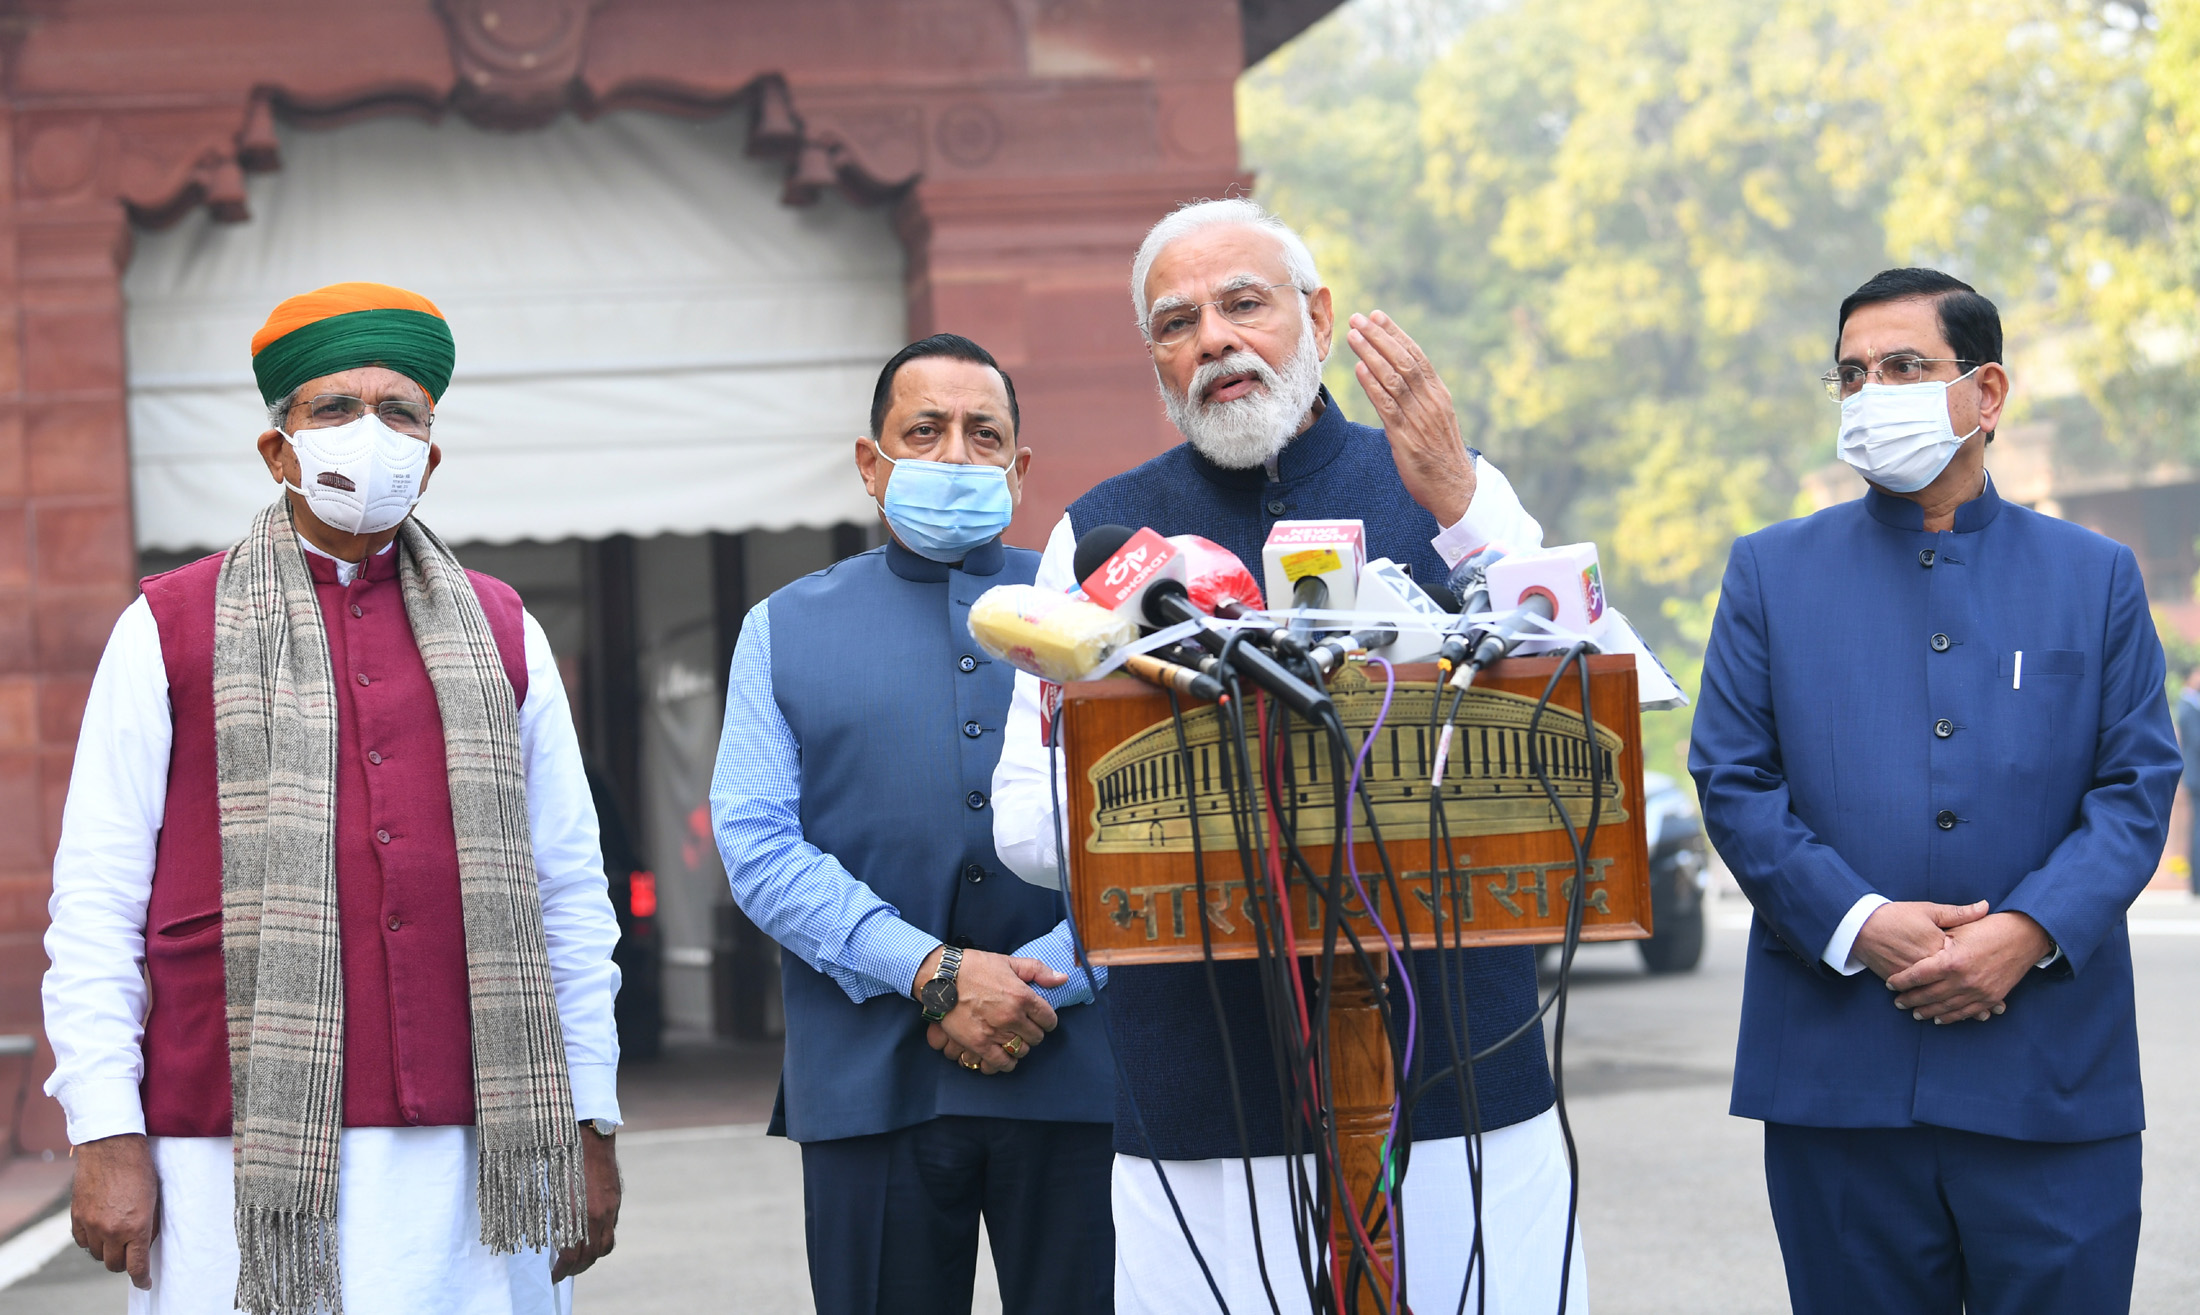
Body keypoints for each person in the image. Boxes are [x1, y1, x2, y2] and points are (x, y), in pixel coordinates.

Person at [990, 198, 1585, 1313]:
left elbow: (1578, 695)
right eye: (1178, 321)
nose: (1213, 337)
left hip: (1458, 1064)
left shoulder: (1452, 483)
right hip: (1203, 1091)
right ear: (1156, 359)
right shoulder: (1102, 537)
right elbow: (1024, 821)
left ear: (1313, 315)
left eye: (1243, 304)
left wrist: (1455, 500)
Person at [42, 282, 624, 1315]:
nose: (373, 432)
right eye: (335, 407)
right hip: (228, 1146)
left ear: (431, 456)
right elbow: (96, 899)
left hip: (480, 1147)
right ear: (278, 450)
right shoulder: (167, 628)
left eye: (401, 412)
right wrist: (104, 1129)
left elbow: (569, 895)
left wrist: (589, 1118)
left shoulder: (503, 630)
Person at [1690, 268, 2179, 1314]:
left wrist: (2027, 930)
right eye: (1852, 373)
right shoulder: (1771, 572)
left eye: (1905, 366)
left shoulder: (2092, 575)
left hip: (2051, 1074)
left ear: (1986, 392)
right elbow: (1732, 779)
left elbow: (2136, 784)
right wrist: (1860, 922)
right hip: (1837, 1076)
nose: (1873, 392)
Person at [710, 334, 1115, 1315]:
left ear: (1019, 469)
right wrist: (931, 970)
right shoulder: (785, 626)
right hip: (868, 1075)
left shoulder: (1098, 615)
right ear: (870, 462)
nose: (954, 454)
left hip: (1079, 1065)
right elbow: (757, 845)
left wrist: (1052, 980)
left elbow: (1156, 829)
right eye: (922, 431)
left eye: (984, 435)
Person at [2178, 666, 2200, 895]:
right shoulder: (2187, 706)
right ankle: (2197, 882)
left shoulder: (2191, 705)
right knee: (2197, 831)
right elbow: (2196, 741)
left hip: (2195, 776)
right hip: (2196, 777)